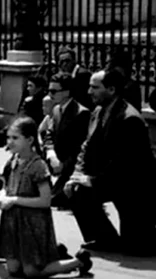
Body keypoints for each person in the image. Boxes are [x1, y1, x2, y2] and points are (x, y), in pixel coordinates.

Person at [64, 69, 156, 256]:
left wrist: (93, 181)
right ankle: (104, 239)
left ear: (112, 89)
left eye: (95, 87)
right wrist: (76, 176)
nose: (89, 91)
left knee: (138, 248)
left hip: (133, 186)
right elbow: (86, 147)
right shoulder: (97, 112)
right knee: (77, 191)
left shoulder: (130, 119)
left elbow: (125, 164)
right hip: (108, 178)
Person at [0, 117, 92, 278]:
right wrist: (2, 197)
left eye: (15, 138)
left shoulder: (38, 166)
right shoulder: (12, 162)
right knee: (13, 269)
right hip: (13, 222)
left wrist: (14, 200)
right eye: (8, 137)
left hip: (32, 223)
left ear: (29, 140)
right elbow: (5, 186)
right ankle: (54, 254)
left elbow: (45, 200)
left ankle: (78, 262)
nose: (10, 142)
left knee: (31, 272)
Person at [46, 73, 90, 208]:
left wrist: (63, 165)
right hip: (54, 164)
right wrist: (51, 153)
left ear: (66, 92)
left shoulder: (81, 113)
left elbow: (80, 148)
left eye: (54, 91)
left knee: (51, 200)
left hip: (69, 170)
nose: (50, 95)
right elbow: (49, 134)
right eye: (49, 90)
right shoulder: (56, 109)